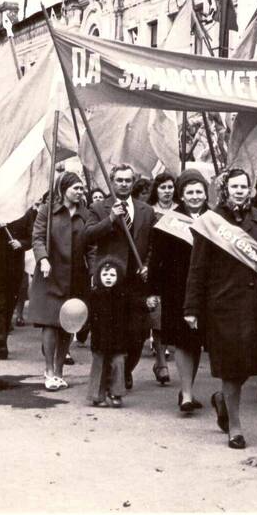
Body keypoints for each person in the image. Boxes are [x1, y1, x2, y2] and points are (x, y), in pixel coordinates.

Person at [184, 168, 257, 450]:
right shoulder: (211, 221)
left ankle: (222, 401)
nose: (240, 191)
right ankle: (236, 426)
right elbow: (198, 268)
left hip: (255, 305)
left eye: (244, 186)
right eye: (235, 187)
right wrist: (191, 307)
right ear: (225, 190)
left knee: (245, 366)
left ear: (251, 190)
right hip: (223, 304)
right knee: (231, 367)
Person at [84, 164, 156, 390]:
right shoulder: (99, 207)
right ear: (111, 182)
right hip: (110, 280)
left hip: (136, 280)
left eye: (127, 180)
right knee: (109, 331)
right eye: (119, 180)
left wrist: (148, 265)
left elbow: (153, 244)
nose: (123, 184)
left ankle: (124, 370)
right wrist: (111, 219)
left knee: (138, 332)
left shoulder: (146, 210)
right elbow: (87, 236)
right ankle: (109, 377)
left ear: (133, 182)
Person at [148, 169, 210, 412]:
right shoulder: (169, 222)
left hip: (206, 289)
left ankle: (187, 389)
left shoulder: (214, 219)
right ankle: (186, 393)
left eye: (199, 192)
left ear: (206, 194)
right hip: (177, 288)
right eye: (190, 192)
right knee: (184, 341)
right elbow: (156, 260)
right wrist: (152, 290)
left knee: (195, 342)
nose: (195, 196)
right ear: (181, 195)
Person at [29, 172, 89, 381]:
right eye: (76, 188)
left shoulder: (85, 214)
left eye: (82, 189)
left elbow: (90, 244)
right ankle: (49, 370)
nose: (80, 192)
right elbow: (37, 237)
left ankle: (60, 369)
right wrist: (43, 258)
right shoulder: (47, 210)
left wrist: (92, 270)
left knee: (68, 323)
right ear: (63, 190)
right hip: (50, 273)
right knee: (50, 323)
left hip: (76, 275)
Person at [87, 256, 142, 407]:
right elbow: (89, 316)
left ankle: (116, 393)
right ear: (98, 276)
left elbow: (134, 309)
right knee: (99, 365)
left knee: (118, 364)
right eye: (105, 275)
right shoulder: (94, 294)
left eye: (112, 275)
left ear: (119, 277)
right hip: (99, 338)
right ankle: (97, 396)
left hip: (119, 339)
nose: (108, 278)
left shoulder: (124, 295)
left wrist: (146, 304)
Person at [0, 206, 35, 360]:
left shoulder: (26, 213)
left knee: (10, 304)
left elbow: (32, 237)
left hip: (15, 267)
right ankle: (1, 341)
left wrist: (22, 244)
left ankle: (3, 332)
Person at [145, 172, 177, 384]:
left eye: (170, 187)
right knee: (156, 315)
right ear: (156, 189)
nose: (167, 191)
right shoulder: (149, 212)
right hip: (153, 268)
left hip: (175, 270)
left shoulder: (180, 211)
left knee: (169, 316)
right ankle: (161, 362)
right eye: (163, 187)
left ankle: (162, 360)